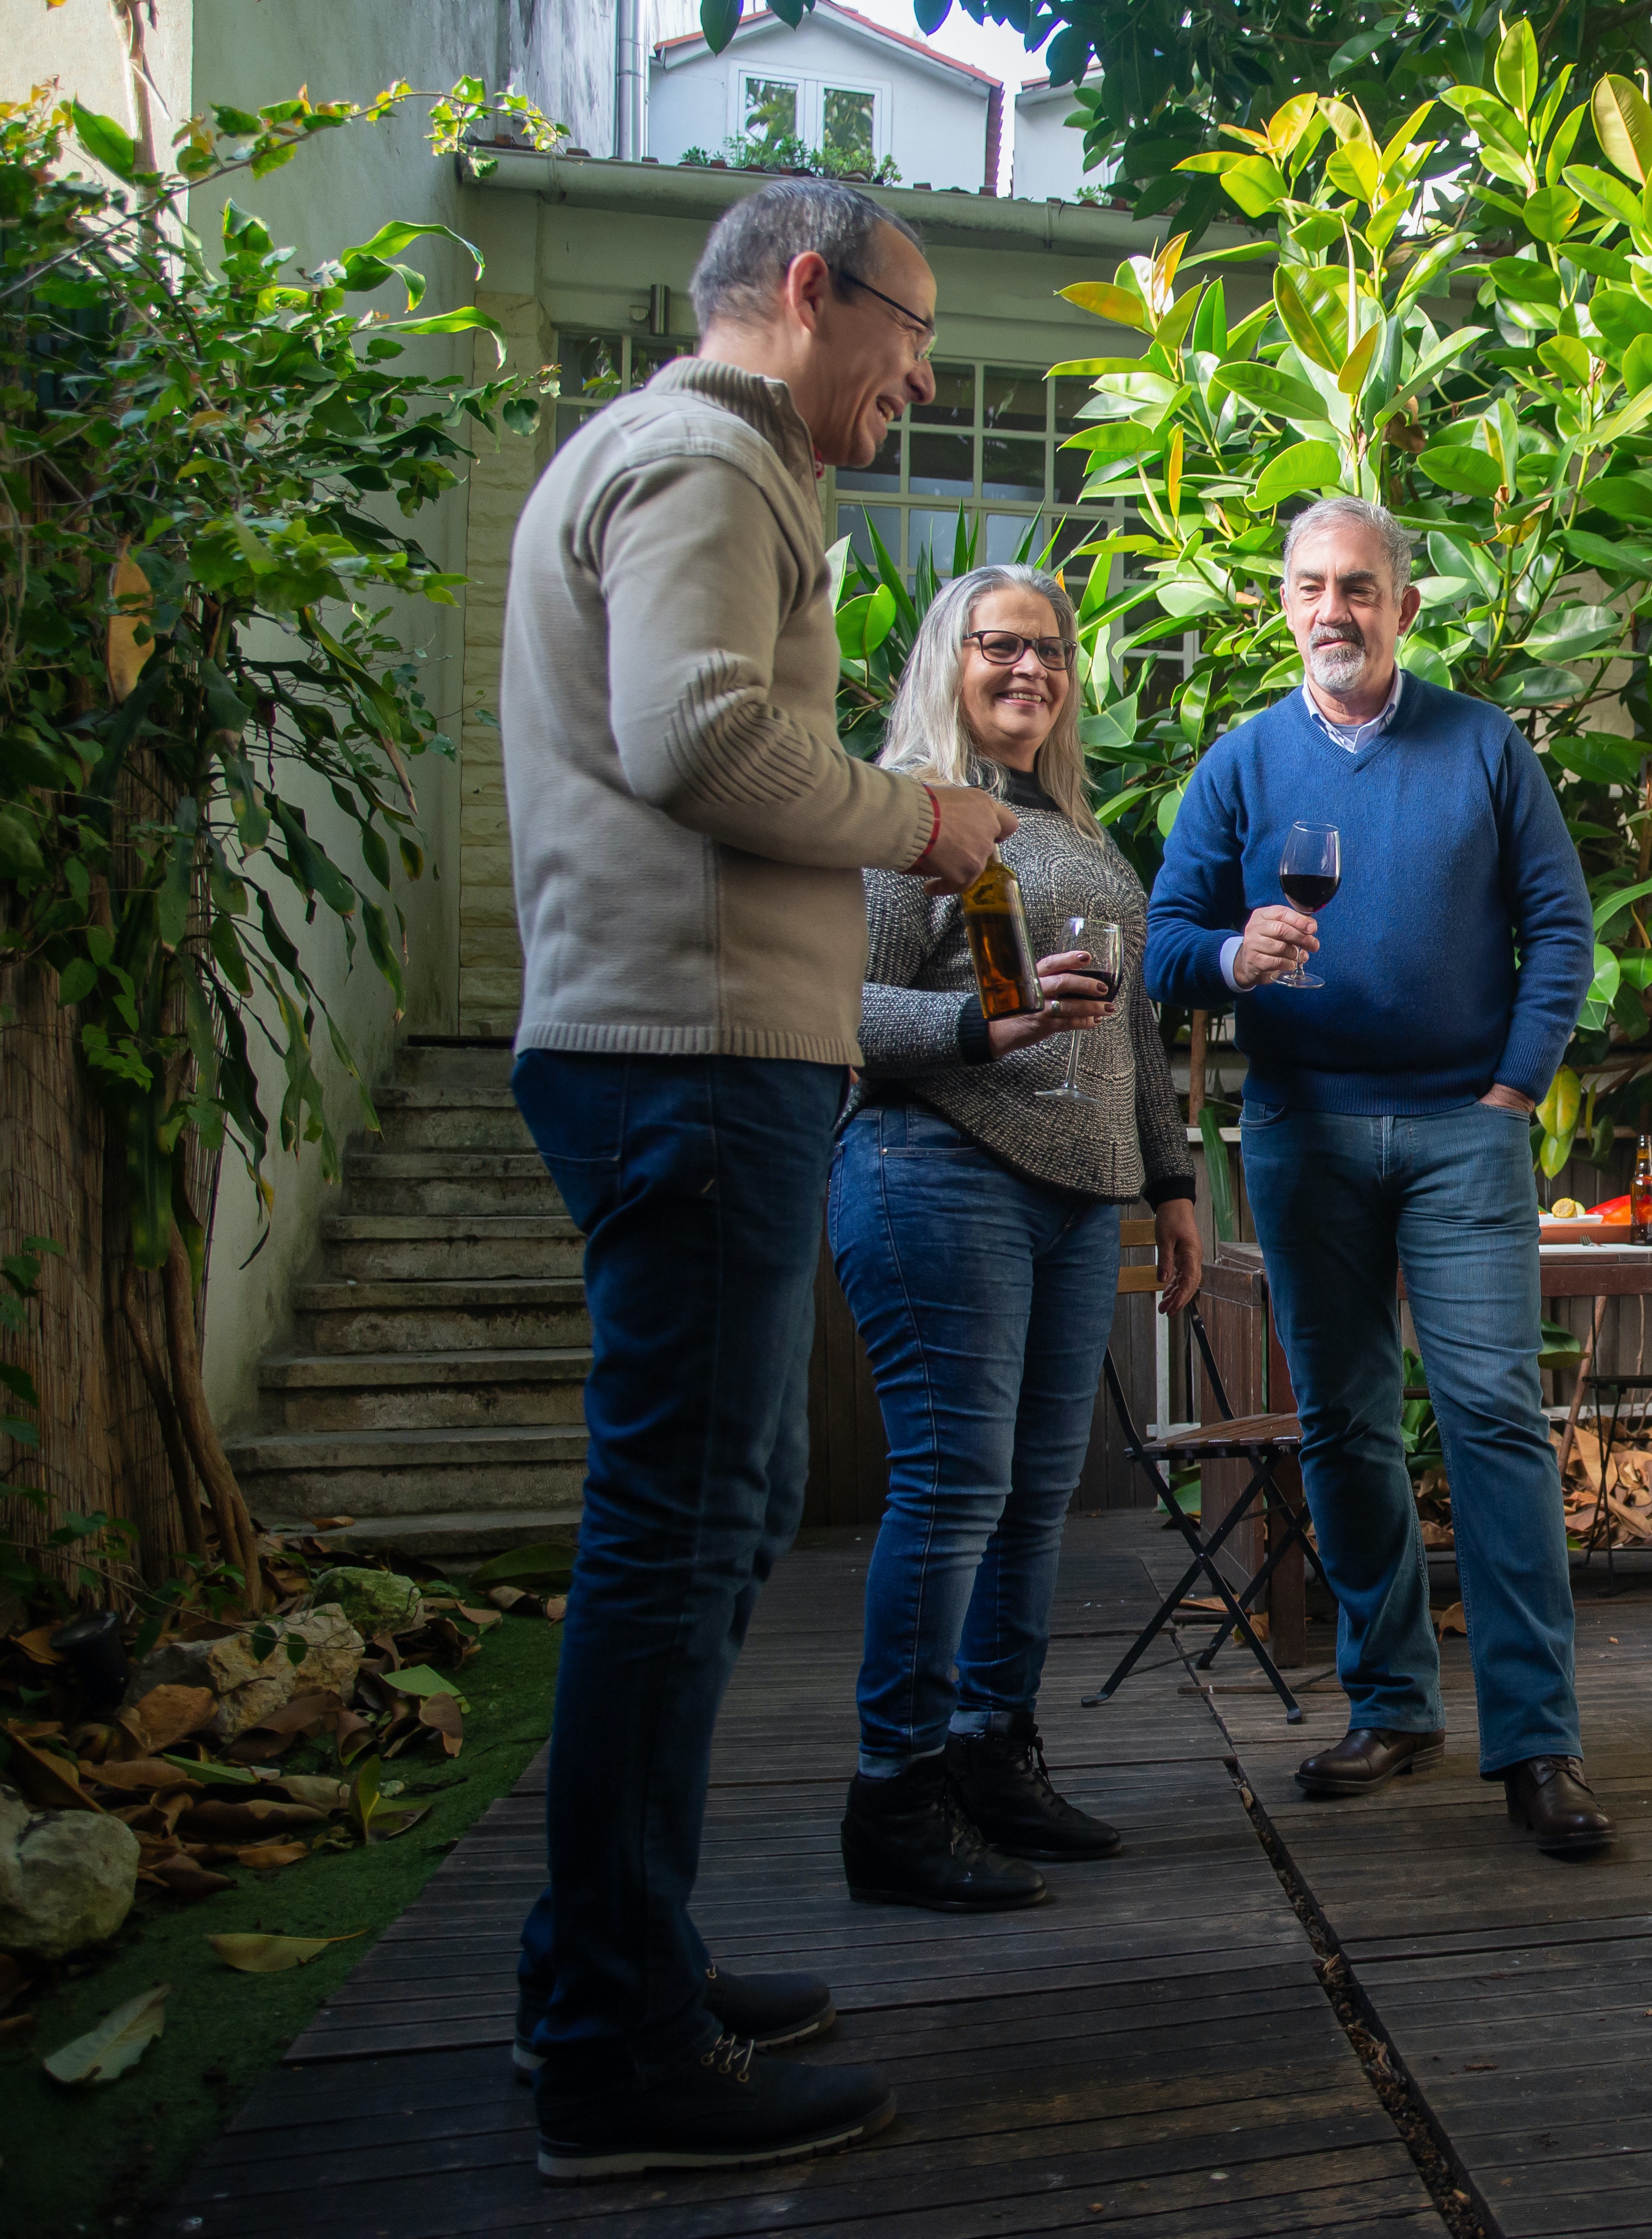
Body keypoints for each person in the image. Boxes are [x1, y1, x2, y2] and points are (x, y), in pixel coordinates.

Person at [500, 179, 1019, 2180]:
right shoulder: (709, 457)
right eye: (905, 327)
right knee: (676, 1530)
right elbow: (701, 738)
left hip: (678, 1060)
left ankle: (613, 1963)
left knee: (702, 1527)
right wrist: (924, 817)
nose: (918, 371)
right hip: (680, 1062)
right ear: (807, 293)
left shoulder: (658, 458)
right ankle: (615, 2043)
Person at [1143, 496, 1610, 1854]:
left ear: (1404, 605)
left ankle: (1535, 1741)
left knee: (1491, 1418)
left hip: (1464, 1132)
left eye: (1358, 586)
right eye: (1307, 585)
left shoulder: (1481, 747)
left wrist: (1513, 1087)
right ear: (1281, 604)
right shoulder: (1240, 764)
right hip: (1302, 1132)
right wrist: (1234, 957)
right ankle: (1392, 1703)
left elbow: (1560, 930)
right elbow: (1166, 937)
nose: (1331, 609)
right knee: (1346, 1426)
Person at [830, 562, 1206, 1911]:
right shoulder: (908, 819)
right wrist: (973, 1026)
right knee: (953, 1492)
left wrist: (1170, 1180)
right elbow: (835, 1011)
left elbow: (1134, 1032)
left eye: (1049, 649)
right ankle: (897, 1791)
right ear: (949, 655)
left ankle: (993, 1752)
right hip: (936, 1170)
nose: (1030, 669)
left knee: (1031, 1497)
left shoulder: (1083, 837)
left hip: (1073, 1196)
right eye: (1001, 645)